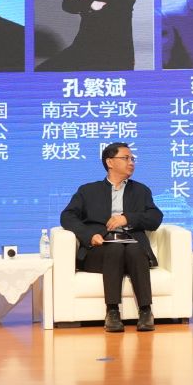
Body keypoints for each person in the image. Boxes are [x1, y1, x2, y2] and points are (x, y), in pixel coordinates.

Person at [60, 142, 164, 332]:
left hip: (132, 246)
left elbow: (155, 217)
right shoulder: (88, 191)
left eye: (132, 159)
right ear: (110, 162)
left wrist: (127, 218)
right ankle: (113, 311)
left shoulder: (141, 190)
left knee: (135, 249)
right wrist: (89, 235)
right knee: (114, 248)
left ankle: (145, 311)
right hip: (100, 249)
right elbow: (67, 216)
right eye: (126, 158)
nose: (131, 162)